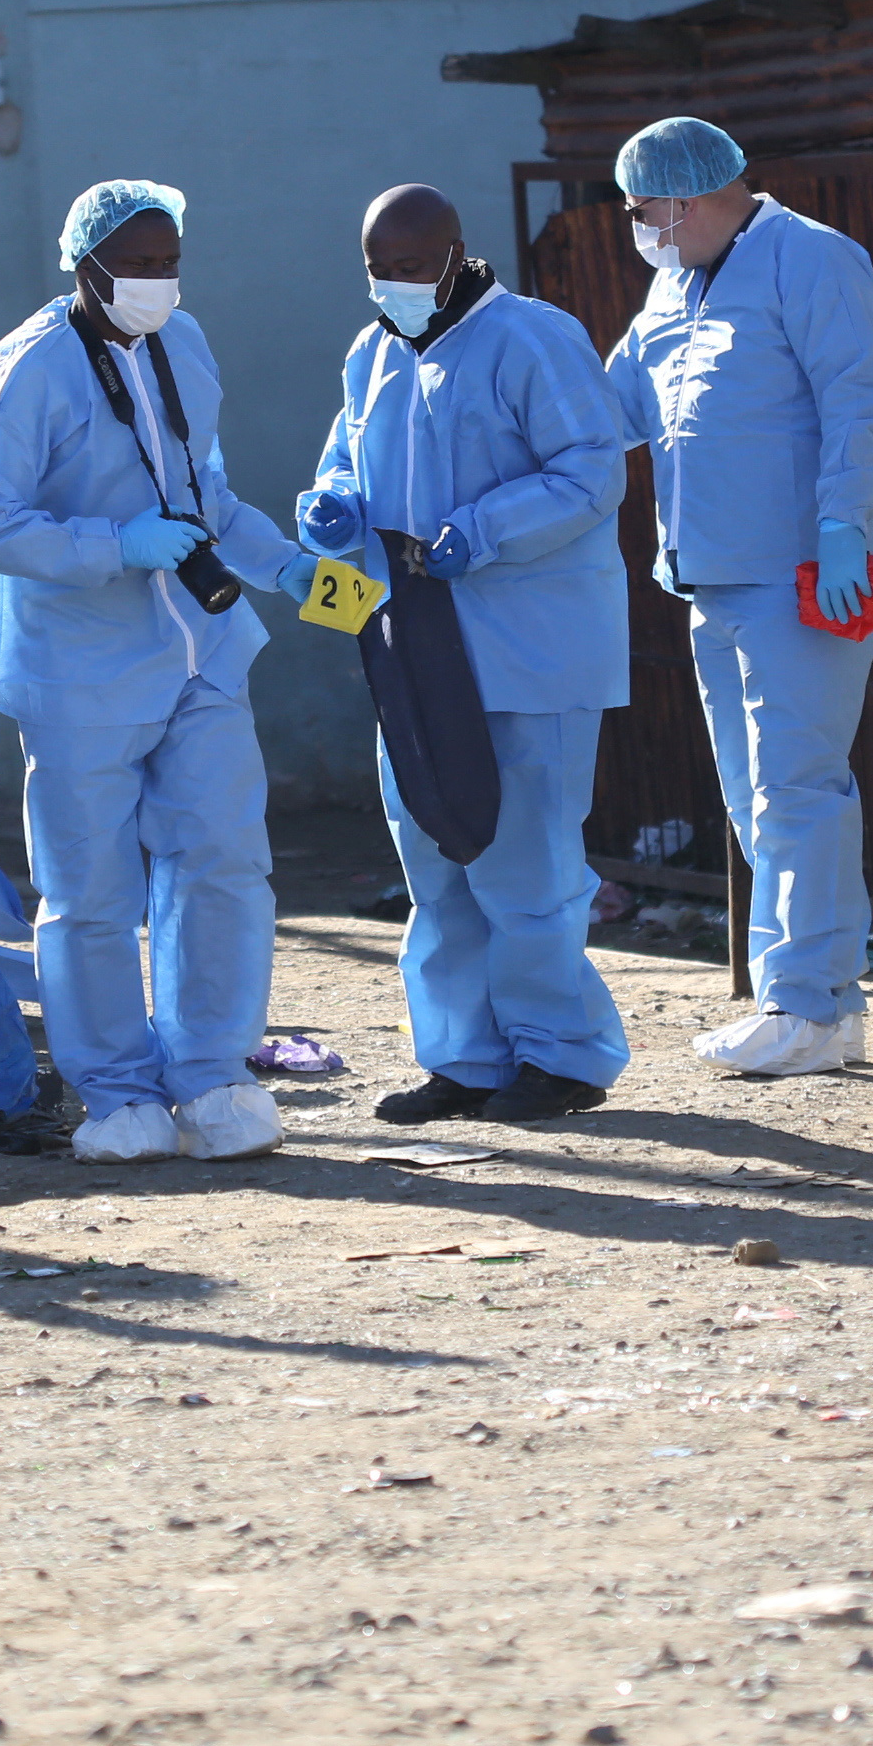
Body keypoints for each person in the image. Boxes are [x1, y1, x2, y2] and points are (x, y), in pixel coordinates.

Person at [0, 179, 318, 1165]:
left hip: (202, 651)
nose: (159, 279)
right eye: (139, 264)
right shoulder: (24, 372)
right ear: (86, 266)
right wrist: (115, 544)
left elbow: (208, 494)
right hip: (82, 671)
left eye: (170, 261)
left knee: (224, 864)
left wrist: (286, 567)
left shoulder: (181, 344)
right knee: (90, 890)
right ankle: (115, 1092)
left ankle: (212, 1075)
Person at [300, 182, 632, 1126]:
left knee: (528, 868)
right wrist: (331, 506)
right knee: (436, 860)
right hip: (414, 647)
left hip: (529, 649)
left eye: (410, 267)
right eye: (378, 270)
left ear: (456, 254)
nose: (393, 286)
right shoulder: (371, 352)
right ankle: (465, 1059)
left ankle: (561, 1057)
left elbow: (590, 472)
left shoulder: (533, 339)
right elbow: (344, 459)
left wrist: (483, 528)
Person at [600, 116, 873, 1081]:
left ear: (689, 200)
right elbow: (615, 407)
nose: (638, 226)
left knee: (799, 786)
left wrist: (844, 525)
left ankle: (802, 1004)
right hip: (710, 574)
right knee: (753, 796)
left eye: (644, 209)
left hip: (805, 573)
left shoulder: (813, 258)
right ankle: (818, 1002)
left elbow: (857, 400)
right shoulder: (675, 280)